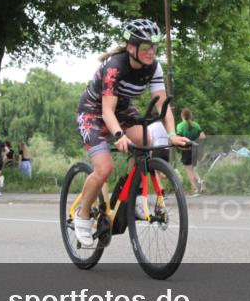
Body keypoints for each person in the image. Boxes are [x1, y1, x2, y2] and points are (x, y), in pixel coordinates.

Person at [72, 19, 190, 248]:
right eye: (145, 47)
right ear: (131, 47)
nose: (151, 52)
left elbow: (163, 105)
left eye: (155, 47)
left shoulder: (154, 67)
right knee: (104, 168)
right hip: (94, 112)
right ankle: (83, 214)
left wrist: (172, 133)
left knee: (147, 142)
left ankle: (134, 194)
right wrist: (119, 135)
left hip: (122, 109)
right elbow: (106, 111)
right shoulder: (115, 66)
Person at [175, 108, 205, 196]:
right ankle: (200, 181)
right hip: (195, 149)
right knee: (194, 168)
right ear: (191, 115)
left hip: (186, 150)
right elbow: (203, 136)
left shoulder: (180, 126)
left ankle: (195, 189)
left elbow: (178, 138)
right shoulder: (196, 125)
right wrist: (194, 141)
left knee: (189, 170)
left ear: (182, 116)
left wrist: (182, 146)